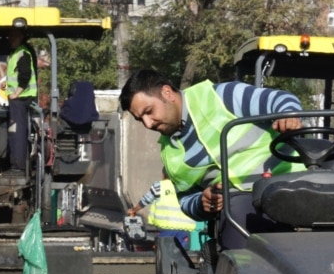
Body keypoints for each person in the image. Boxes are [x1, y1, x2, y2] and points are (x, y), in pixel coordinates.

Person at [119, 69, 304, 250]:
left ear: (167, 93)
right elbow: (185, 199)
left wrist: (288, 114)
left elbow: (280, 99)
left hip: (289, 182)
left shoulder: (220, 96)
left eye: (149, 111)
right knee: (236, 217)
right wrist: (201, 202)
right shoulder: (170, 153)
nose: (148, 123)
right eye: (140, 119)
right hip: (239, 204)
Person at [128, 171, 204, 251]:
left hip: (166, 229)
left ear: (164, 175)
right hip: (185, 230)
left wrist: (133, 210)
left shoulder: (159, 186)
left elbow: (145, 200)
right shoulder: (189, 186)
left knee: (165, 255)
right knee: (181, 256)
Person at [5, 28, 39, 175]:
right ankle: (16, 163)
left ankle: (18, 166)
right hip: (19, 98)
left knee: (17, 132)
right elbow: (16, 75)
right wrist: (5, 85)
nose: (10, 39)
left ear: (21, 37)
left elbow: (25, 76)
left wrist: (16, 94)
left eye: (13, 36)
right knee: (14, 131)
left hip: (22, 98)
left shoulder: (23, 53)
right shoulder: (16, 53)